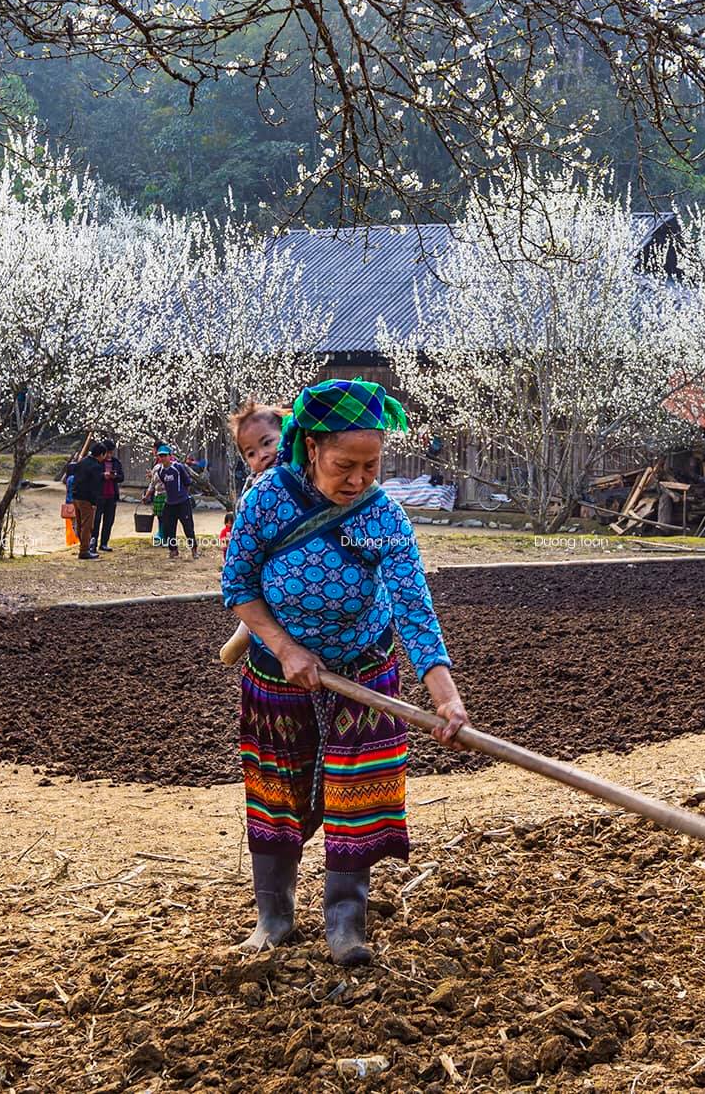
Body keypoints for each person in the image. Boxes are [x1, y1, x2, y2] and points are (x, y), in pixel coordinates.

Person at [221, 378, 468, 965]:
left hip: (364, 670)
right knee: (276, 790)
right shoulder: (265, 501)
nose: (358, 479)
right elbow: (239, 587)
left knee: (359, 791)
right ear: (310, 448)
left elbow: (413, 606)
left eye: (371, 464)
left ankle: (345, 924)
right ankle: (274, 918)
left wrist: (445, 697)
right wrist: (286, 650)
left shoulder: (384, 515)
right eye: (344, 465)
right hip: (277, 674)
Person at [217, 401, 285, 652]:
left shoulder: (304, 468)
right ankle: (246, 628)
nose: (262, 455)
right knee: (252, 580)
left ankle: (246, 629)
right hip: (264, 547)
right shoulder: (255, 486)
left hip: (294, 541)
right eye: (251, 453)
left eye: (268, 443)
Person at [146, 444, 203, 559]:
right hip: (169, 502)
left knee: (188, 527)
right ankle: (173, 550)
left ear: (170, 456)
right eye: (160, 456)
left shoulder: (178, 467)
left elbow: (187, 482)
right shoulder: (160, 471)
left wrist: (183, 494)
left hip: (182, 502)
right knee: (169, 528)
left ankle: (194, 549)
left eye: (164, 456)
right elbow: (162, 484)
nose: (162, 458)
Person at [63, 441, 104, 561]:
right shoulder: (95, 466)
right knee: (87, 525)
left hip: (76, 497)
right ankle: (84, 550)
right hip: (87, 499)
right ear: (100, 454)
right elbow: (95, 486)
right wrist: (94, 503)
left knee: (80, 523)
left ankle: (83, 547)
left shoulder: (82, 462)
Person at [89, 439, 125, 553]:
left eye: (111, 452)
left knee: (108, 521)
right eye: (107, 452)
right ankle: (92, 544)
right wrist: (103, 476)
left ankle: (104, 543)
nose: (109, 455)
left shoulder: (116, 462)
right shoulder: (97, 462)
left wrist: (115, 477)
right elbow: (93, 477)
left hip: (112, 494)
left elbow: (121, 477)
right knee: (96, 521)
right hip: (99, 495)